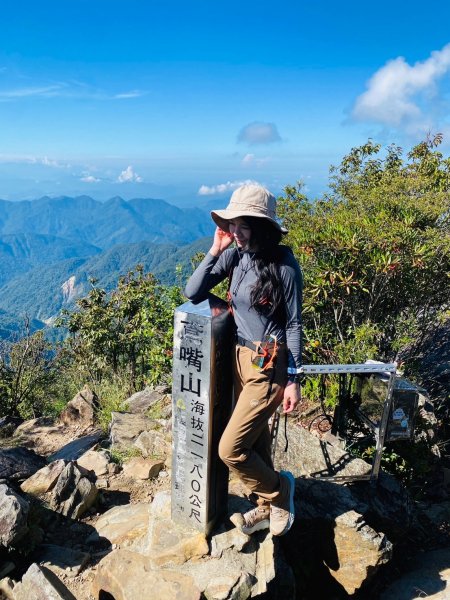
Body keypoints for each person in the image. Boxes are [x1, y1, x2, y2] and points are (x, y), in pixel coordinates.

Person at [184, 183, 303, 536]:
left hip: (268, 363)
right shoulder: (236, 254)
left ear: (261, 226)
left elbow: (295, 323)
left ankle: (280, 492)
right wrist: (214, 249)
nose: (235, 231)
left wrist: (295, 378)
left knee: (231, 448)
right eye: (232, 223)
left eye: (243, 225)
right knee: (254, 439)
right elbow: (193, 292)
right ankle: (264, 506)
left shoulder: (284, 264)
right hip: (238, 357)